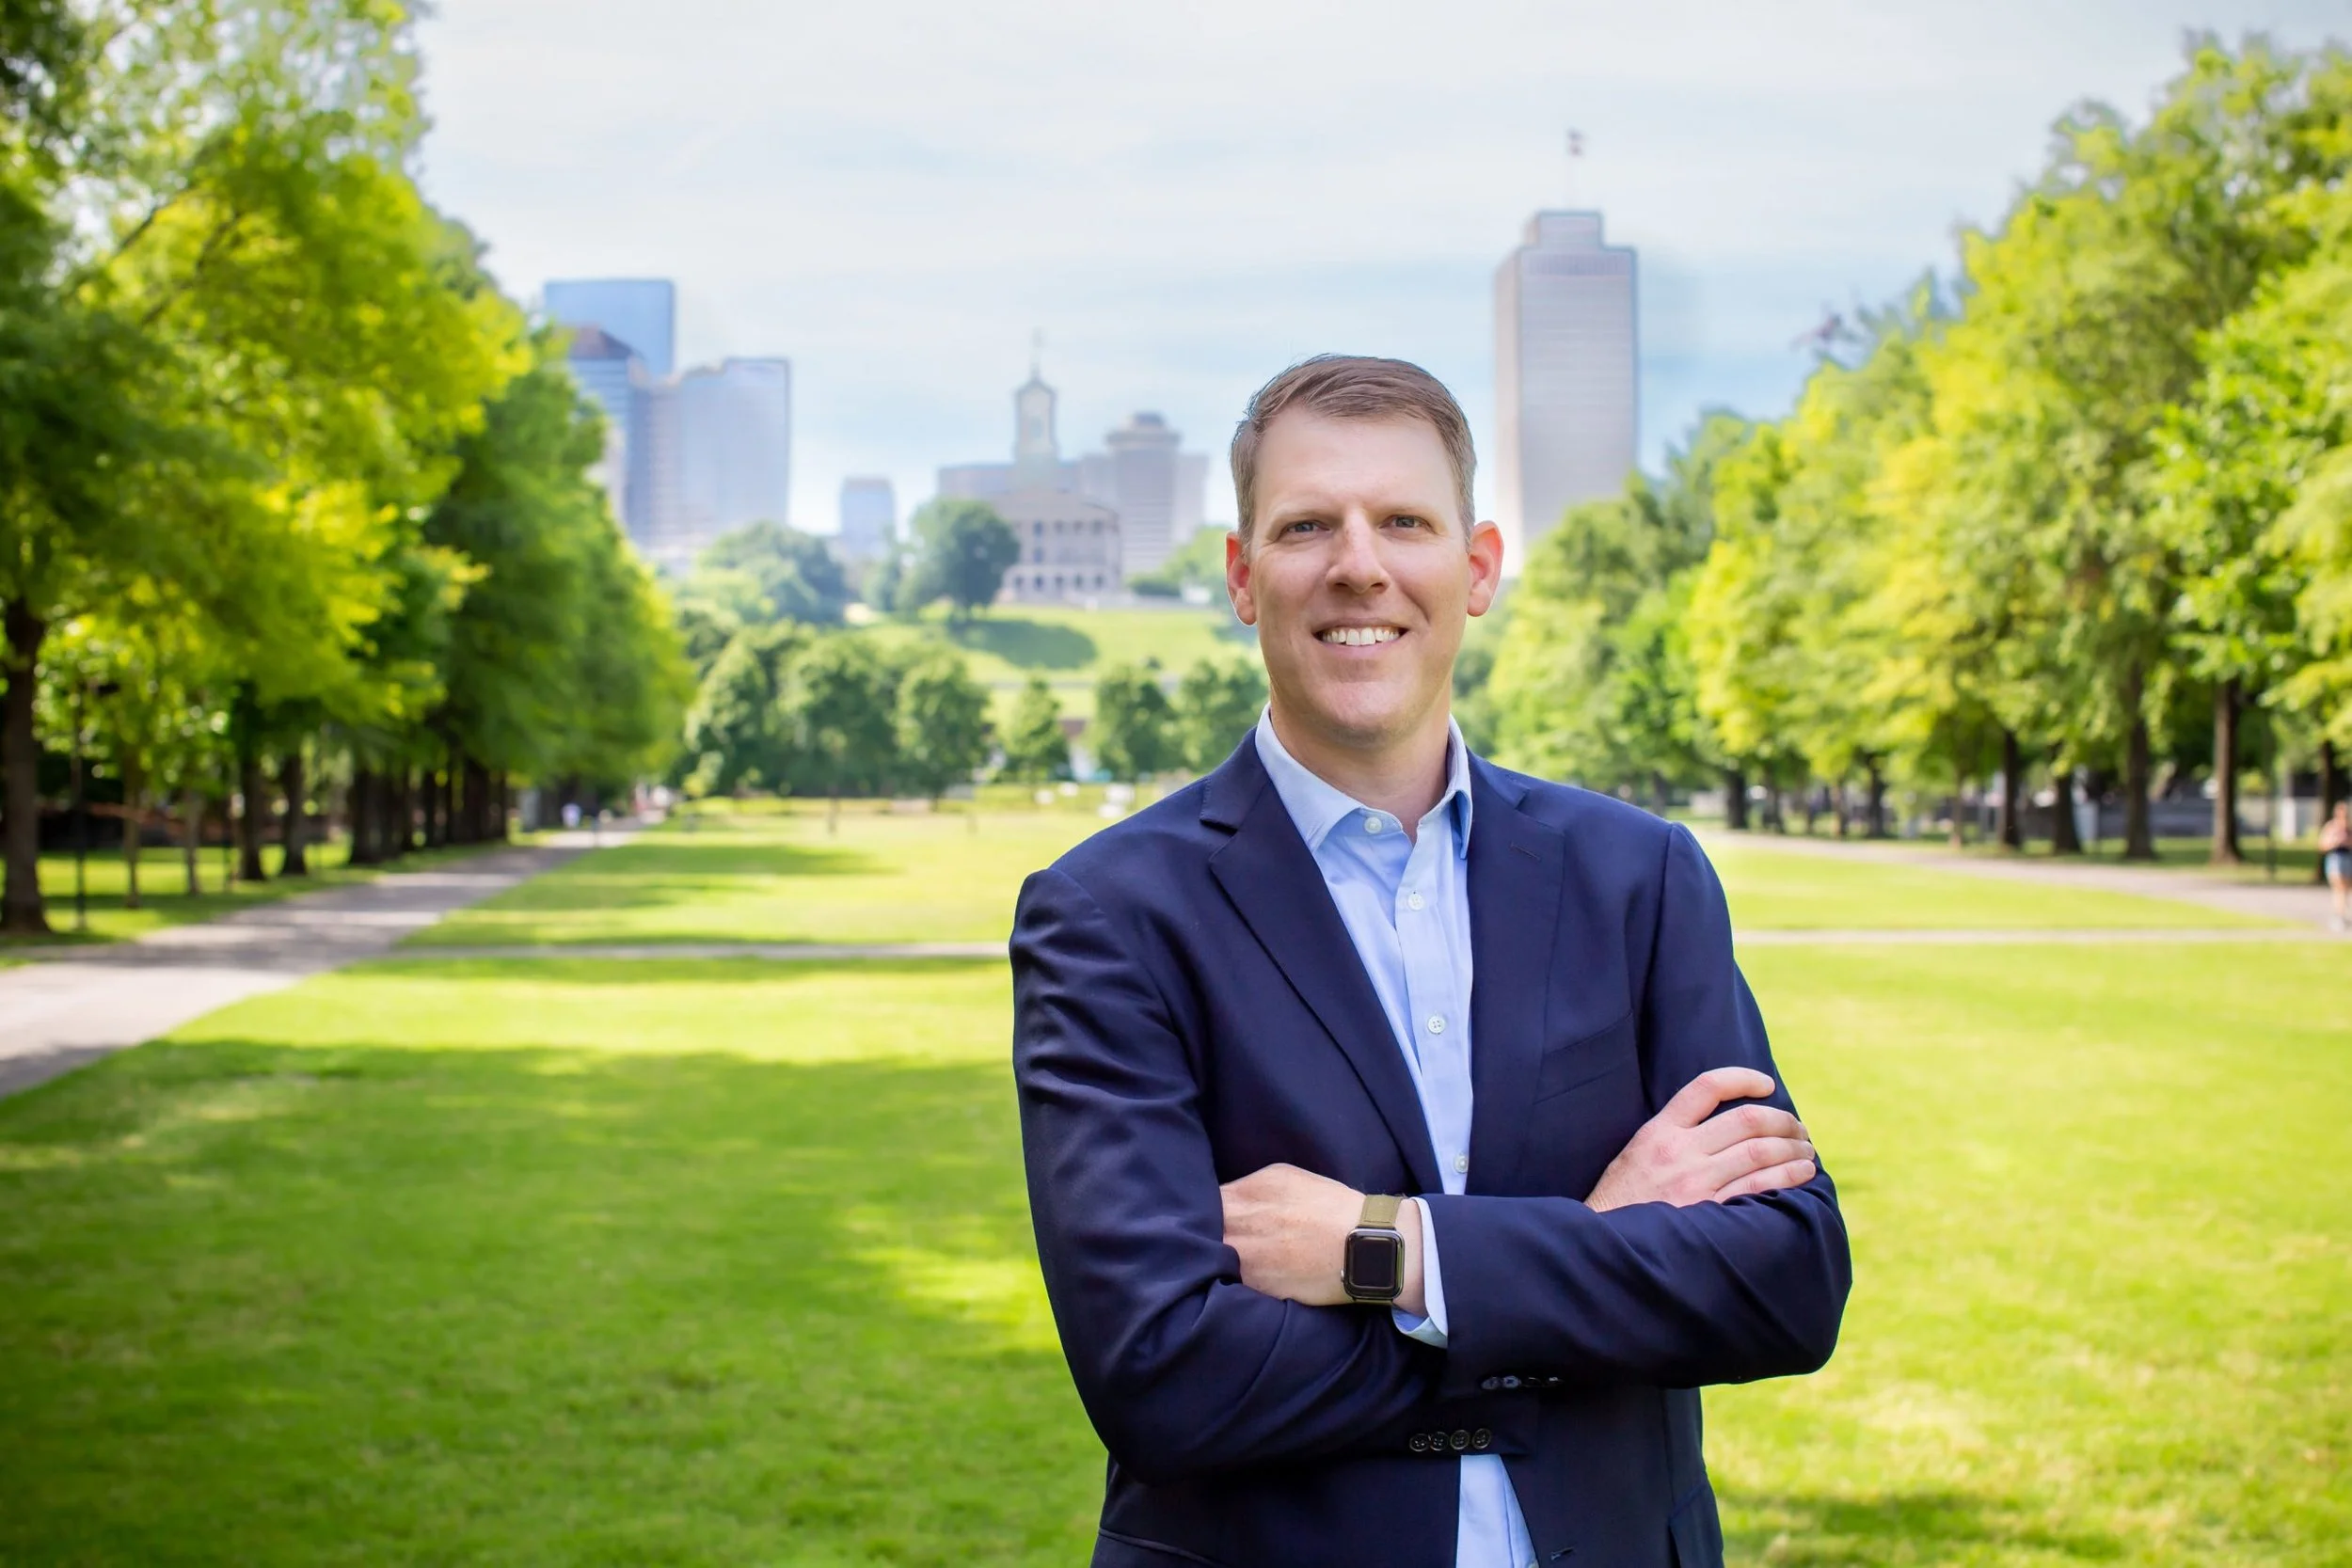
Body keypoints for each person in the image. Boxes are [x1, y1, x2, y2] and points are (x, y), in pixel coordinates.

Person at [1010, 356, 1850, 1568]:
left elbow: (1784, 1279)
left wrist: (1394, 1252)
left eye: (1404, 520)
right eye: (1307, 525)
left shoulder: (1640, 877)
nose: (1360, 564)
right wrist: (1591, 1251)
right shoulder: (1109, 913)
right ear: (1242, 575)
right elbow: (1165, 1375)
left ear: (1479, 567)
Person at [2321, 800, 2351, 931]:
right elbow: (2322, 845)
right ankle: (2339, 915)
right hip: (2335, 858)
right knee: (2338, 888)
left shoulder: (2349, 828)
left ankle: (2343, 914)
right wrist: (2334, 842)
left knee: (2346, 889)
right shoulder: (2331, 827)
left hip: (2348, 857)